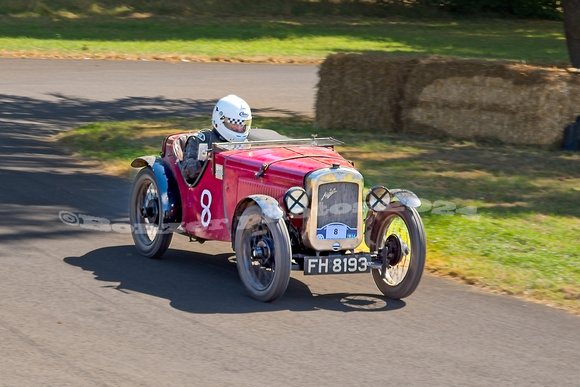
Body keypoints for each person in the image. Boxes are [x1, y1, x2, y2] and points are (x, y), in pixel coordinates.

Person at [181, 94, 252, 183]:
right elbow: (187, 170)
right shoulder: (201, 140)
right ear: (220, 120)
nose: (239, 128)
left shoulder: (248, 145)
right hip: (209, 186)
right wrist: (207, 161)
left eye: (242, 124)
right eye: (235, 123)